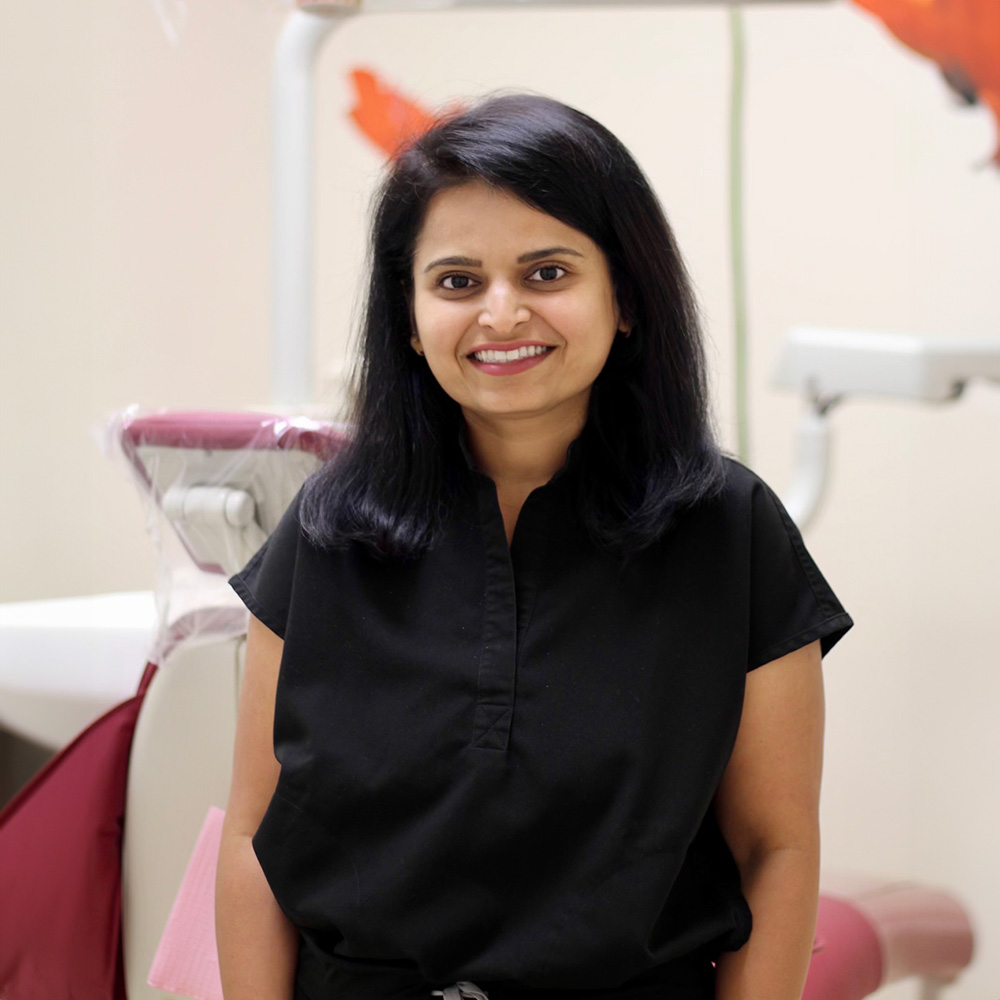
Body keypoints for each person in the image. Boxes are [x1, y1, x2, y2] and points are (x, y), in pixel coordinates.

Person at [216, 93, 853, 1000]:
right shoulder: (327, 532)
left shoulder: (730, 531)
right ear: (407, 316)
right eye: (457, 281)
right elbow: (252, 837)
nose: (502, 314)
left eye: (547, 273)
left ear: (625, 296)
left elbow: (776, 849)